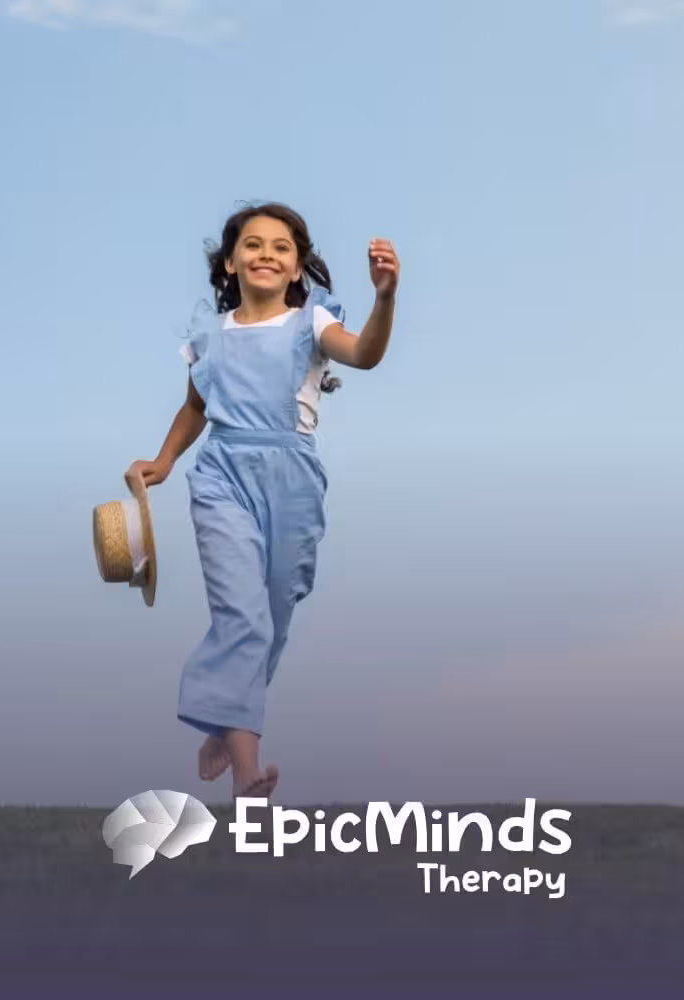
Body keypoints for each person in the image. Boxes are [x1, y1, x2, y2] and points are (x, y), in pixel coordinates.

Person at [124, 202, 399, 800]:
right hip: (222, 473)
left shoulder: (313, 324)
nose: (266, 254)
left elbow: (367, 354)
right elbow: (196, 407)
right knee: (241, 615)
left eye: (281, 246)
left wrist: (384, 297)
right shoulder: (209, 337)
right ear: (230, 262)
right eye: (253, 244)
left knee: (273, 616)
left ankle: (227, 722)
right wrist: (166, 460)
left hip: (293, 480)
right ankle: (249, 772)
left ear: (298, 267)